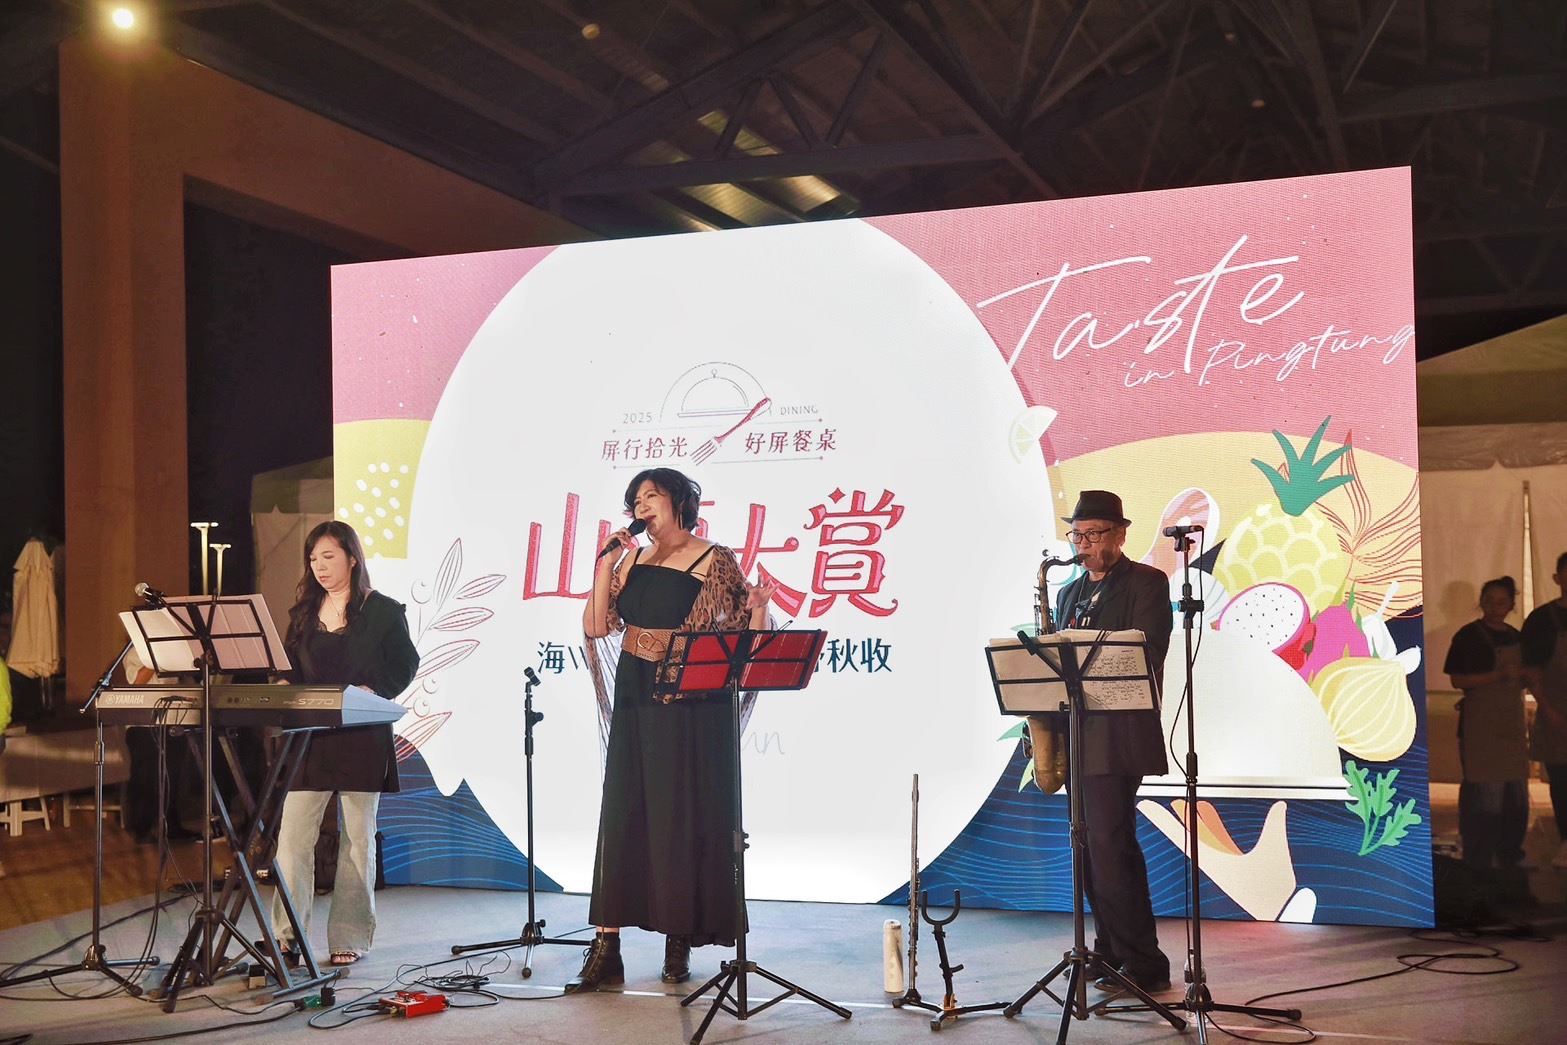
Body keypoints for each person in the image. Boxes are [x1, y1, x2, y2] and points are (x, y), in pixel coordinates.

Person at [568, 468, 773, 993]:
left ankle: (678, 936)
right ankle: (607, 947)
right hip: (636, 692)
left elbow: (744, 640)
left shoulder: (714, 558)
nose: (641, 506)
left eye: (651, 496)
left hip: (690, 700)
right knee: (624, 809)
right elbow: (595, 626)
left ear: (679, 501)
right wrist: (605, 565)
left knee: (679, 813)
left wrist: (760, 609)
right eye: (635, 500)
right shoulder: (631, 559)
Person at [268, 521, 419, 967]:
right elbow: (290, 667)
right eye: (313, 558)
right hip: (309, 738)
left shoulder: (383, 610)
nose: (319, 566)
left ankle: (348, 936)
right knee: (292, 838)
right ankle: (286, 937)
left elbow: (405, 664)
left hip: (361, 734)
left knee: (357, 841)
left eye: (328, 556)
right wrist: (282, 685)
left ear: (352, 558)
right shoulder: (302, 614)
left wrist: (376, 690)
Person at [1051, 490, 1172, 996]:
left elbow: (1148, 652)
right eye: (1077, 535)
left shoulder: (1147, 582)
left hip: (1118, 733)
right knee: (1087, 847)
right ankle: (1107, 951)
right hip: (1079, 733)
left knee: (1110, 844)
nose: (1083, 544)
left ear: (1120, 535)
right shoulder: (1068, 593)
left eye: (1094, 534)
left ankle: (1144, 962)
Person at [1444, 577, 1530, 874]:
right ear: (1481, 602)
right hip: (1480, 726)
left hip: (1511, 724)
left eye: (1501, 602)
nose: (1494, 607)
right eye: (1489, 601)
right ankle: (1479, 858)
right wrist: (1497, 676)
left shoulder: (1517, 637)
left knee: (1516, 794)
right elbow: (1457, 679)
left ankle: (1510, 854)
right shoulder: (1468, 636)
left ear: (1511, 605)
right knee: (1483, 793)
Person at [1523, 551, 1567, 870]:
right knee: (1562, 780)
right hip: (1556, 711)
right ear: (1556, 578)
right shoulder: (1541, 620)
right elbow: (1531, 671)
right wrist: (1548, 709)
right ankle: (1565, 841)